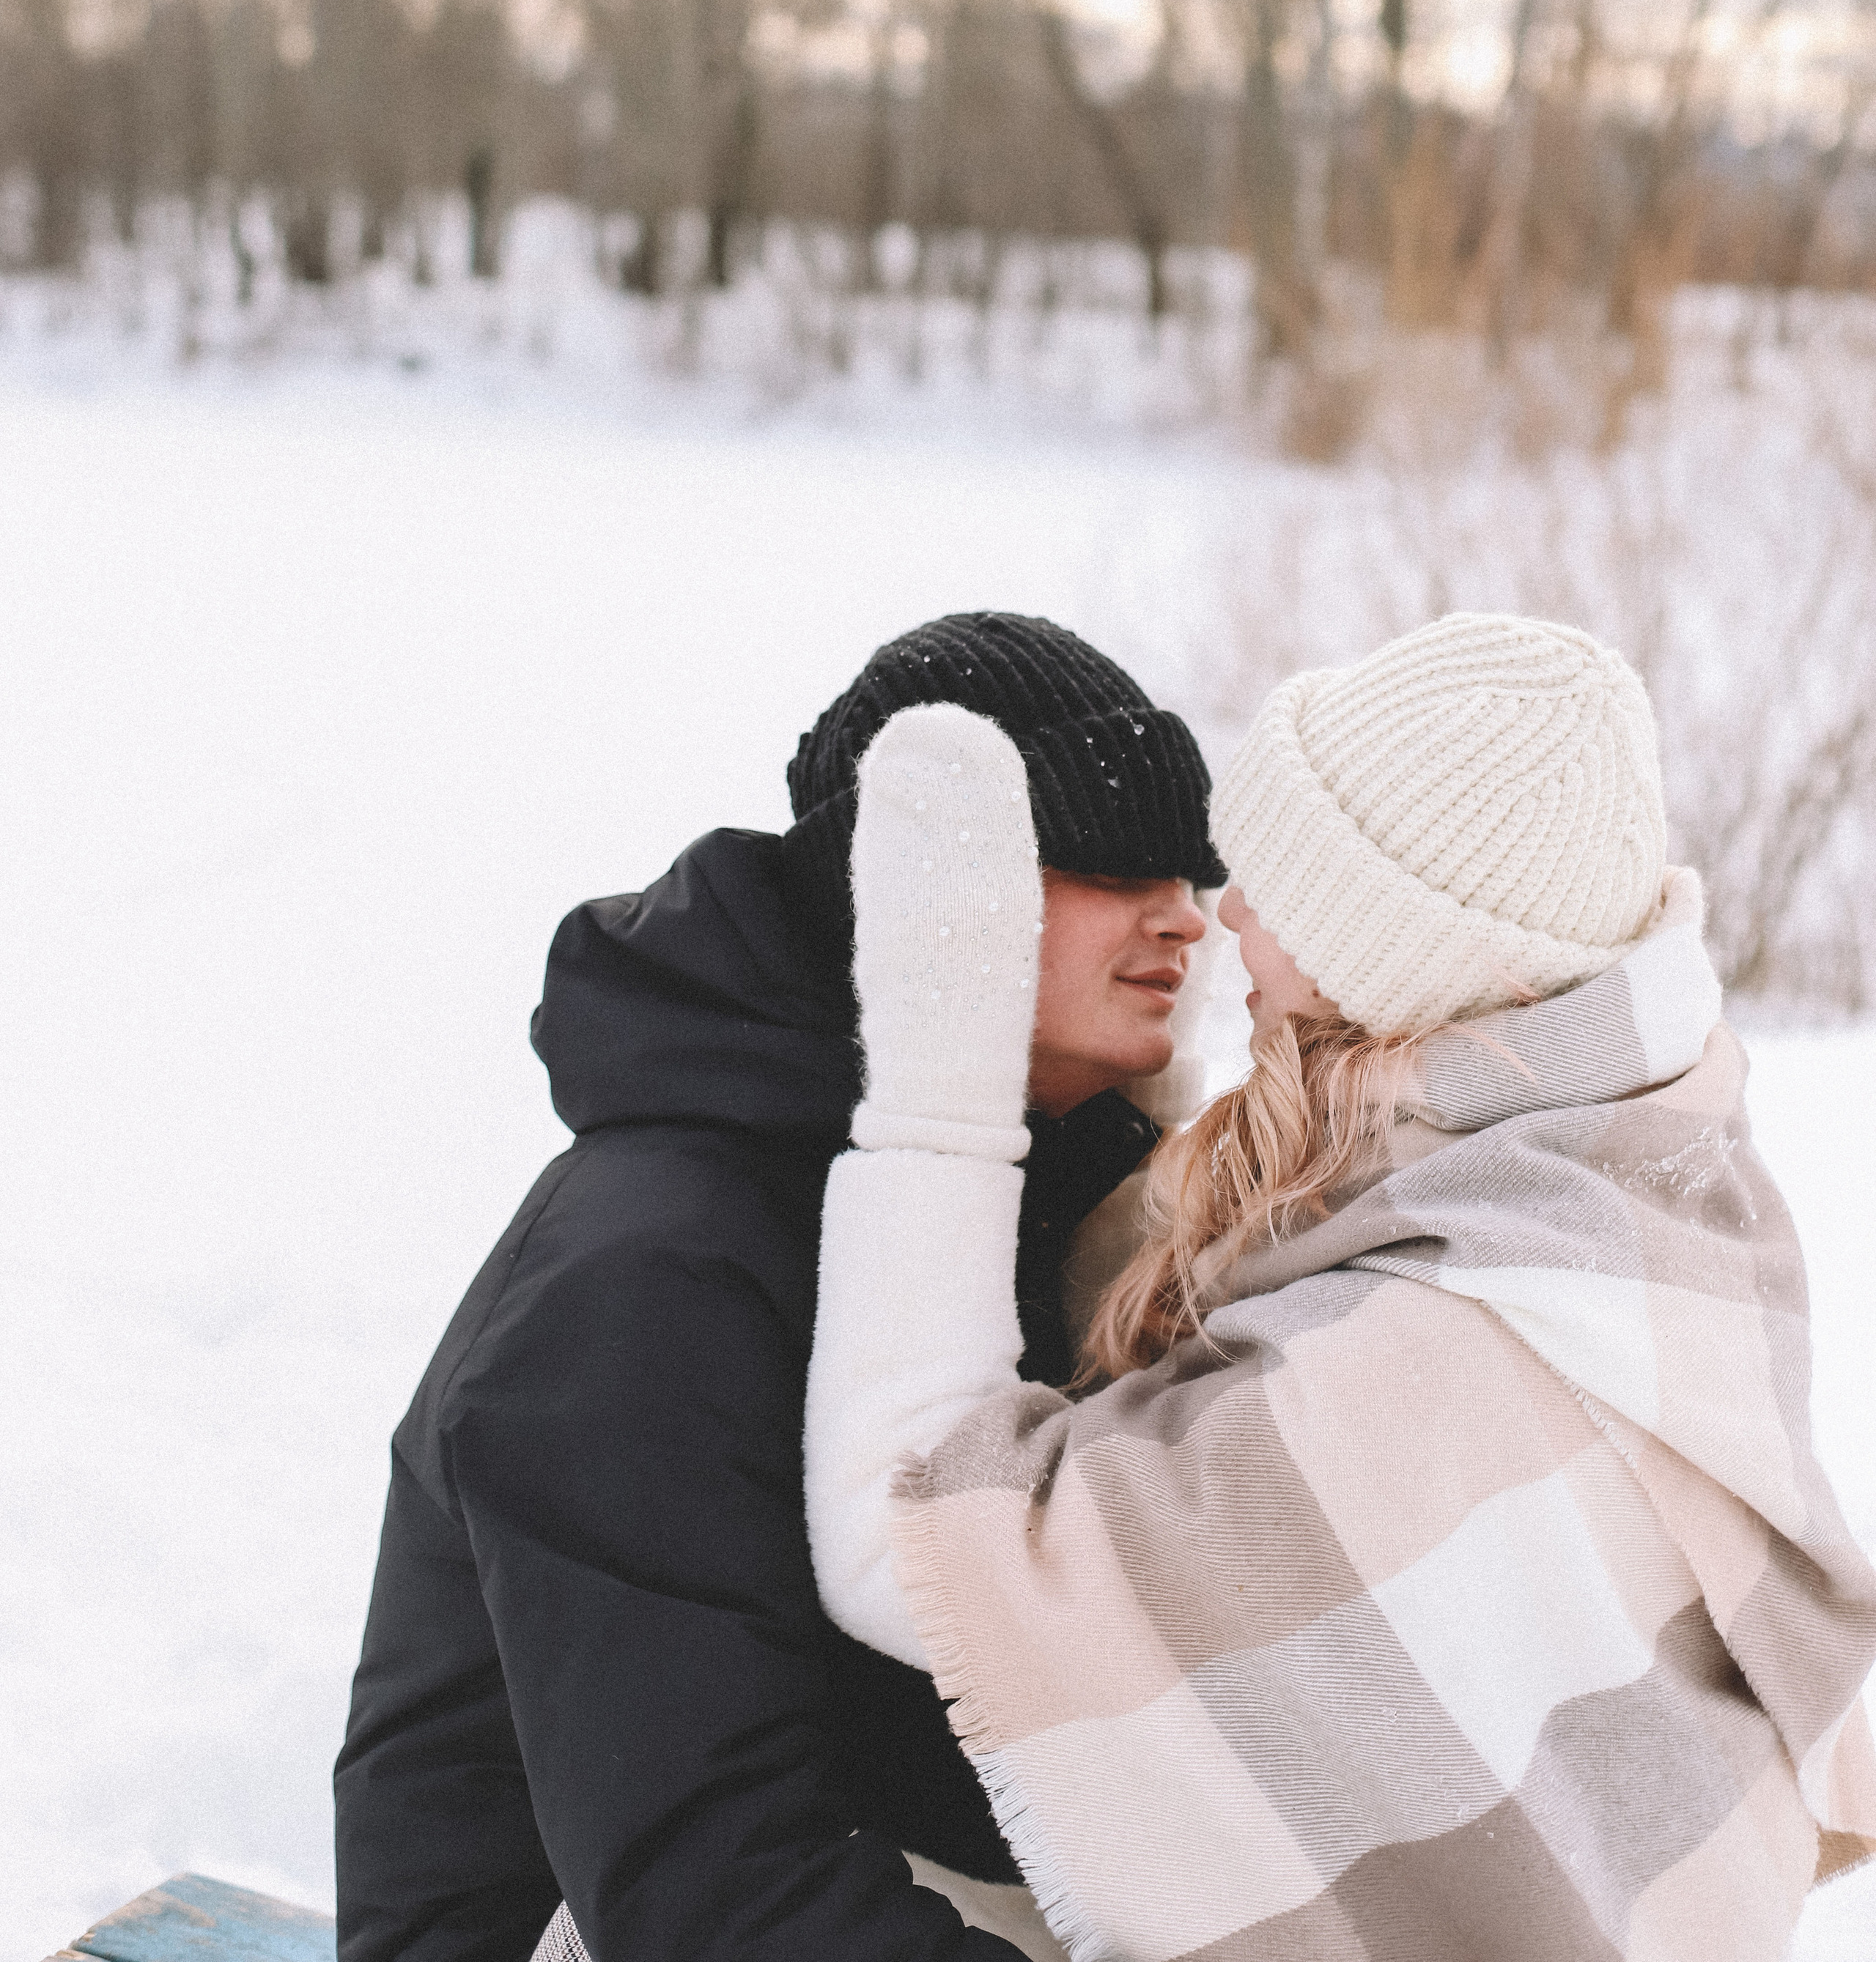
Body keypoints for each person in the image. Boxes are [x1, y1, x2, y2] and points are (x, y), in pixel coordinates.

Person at [806, 612, 1876, 1961]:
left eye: (1290, 893)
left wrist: (938, 1100)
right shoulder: (1638, 1180)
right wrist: (1159, 1101)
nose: (1226, 913)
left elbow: (909, 1539)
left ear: (1394, 969)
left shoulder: (1415, 1364)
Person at [333, 611, 1225, 1962]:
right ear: (912, 884)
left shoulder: (1044, 1193)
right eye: (1107, 856)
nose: (1185, 916)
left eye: (1193, 864)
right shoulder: (653, 1272)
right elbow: (702, 1877)